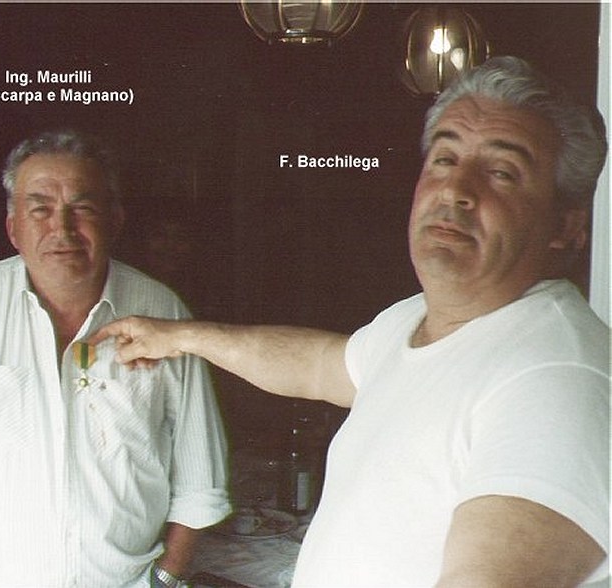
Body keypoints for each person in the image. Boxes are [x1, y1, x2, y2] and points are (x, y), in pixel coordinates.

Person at [93, 56, 610, 587]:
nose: (456, 188)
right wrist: (178, 336)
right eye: (445, 158)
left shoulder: (556, 380)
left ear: (566, 226)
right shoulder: (416, 321)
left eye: (501, 172)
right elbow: (319, 365)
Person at [0, 130, 231, 587]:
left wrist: (165, 579)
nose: (62, 229)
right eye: (40, 209)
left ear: (115, 220)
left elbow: (201, 482)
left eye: (83, 208)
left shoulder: (164, 311)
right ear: (13, 228)